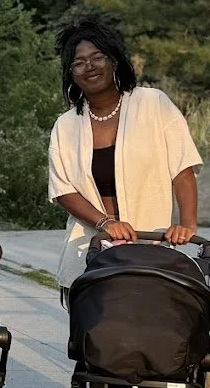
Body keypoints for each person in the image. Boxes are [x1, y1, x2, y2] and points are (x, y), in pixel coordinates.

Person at [48, 16, 201, 294]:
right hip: (89, 251)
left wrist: (187, 225)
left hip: (151, 245)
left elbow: (182, 169)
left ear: (114, 61)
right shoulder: (66, 125)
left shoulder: (154, 104)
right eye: (79, 62)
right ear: (71, 73)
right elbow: (63, 190)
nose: (89, 67)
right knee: (93, 320)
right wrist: (105, 223)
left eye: (97, 58)